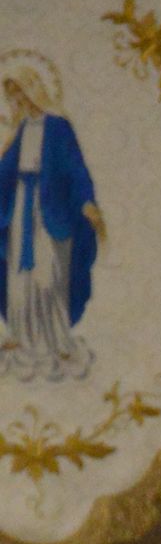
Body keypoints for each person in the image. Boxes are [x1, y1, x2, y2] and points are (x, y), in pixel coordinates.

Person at [0, 58, 103, 382]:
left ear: (32, 89)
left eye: (19, 92)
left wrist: (87, 200)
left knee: (48, 276)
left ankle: (56, 339)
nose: (16, 100)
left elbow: (76, 167)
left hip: (50, 212)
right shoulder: (19, 132)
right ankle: (21, 336)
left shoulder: (58, 127)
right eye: (11, 96)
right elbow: (4, 172)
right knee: (20, 276)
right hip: (20, 209)